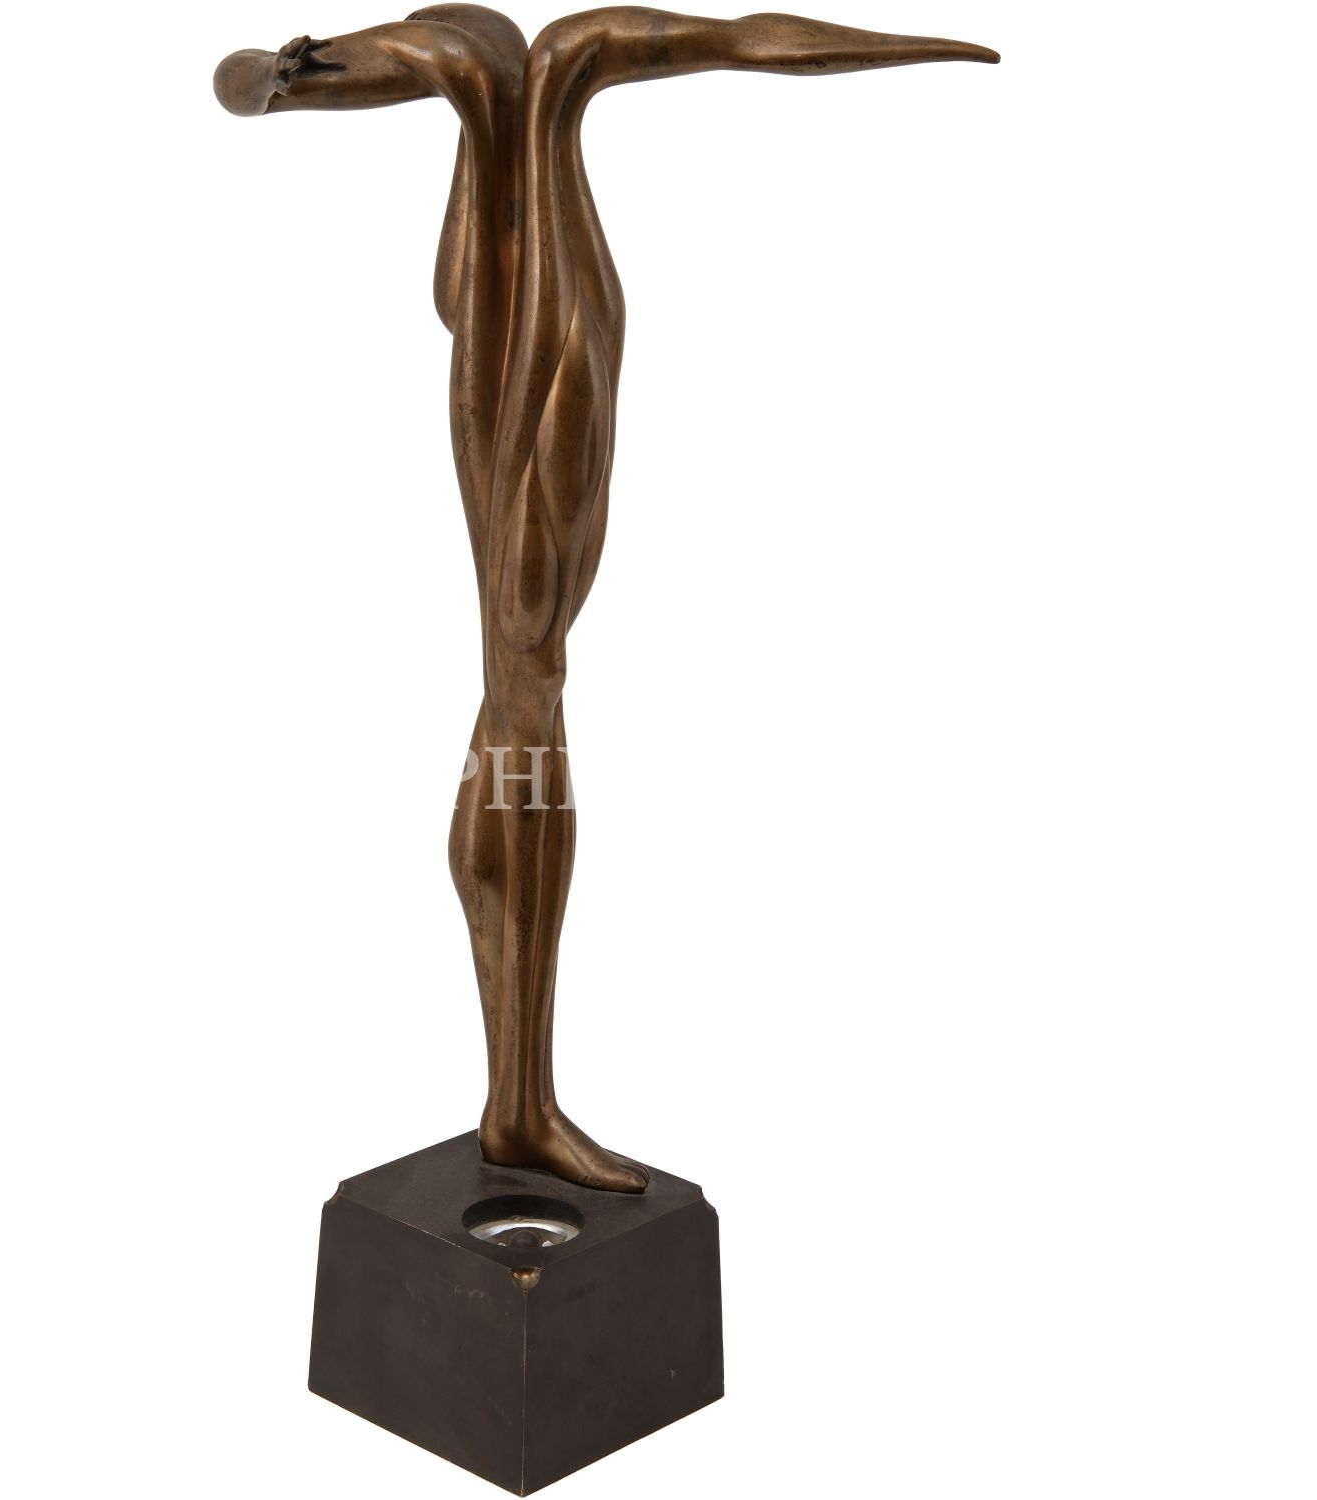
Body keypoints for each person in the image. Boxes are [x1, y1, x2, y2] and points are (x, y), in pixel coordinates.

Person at [215, 8, 998, 1191]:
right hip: (528, 417)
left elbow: (250, 87)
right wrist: (275, 77)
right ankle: (519, 1105)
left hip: (499, 396)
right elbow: (747, 40)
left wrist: (280, 74)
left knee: (518, 705)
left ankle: (518, 1099)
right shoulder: (536, 56)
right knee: (524, 698)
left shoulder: (468, 53)